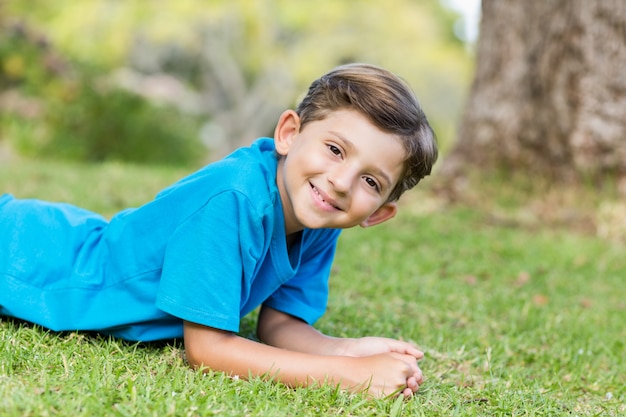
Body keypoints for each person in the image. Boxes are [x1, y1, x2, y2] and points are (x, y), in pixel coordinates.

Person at [0, 63, 438, 398]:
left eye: (370, 181)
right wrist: (347, 376)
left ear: (377, 212)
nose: (342, 181)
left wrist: (345, 350)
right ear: (289, 133)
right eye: (335, 149)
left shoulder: (319, 216)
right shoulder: (235, 197)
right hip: (36, 258)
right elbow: (208, 350)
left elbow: (280, 323)